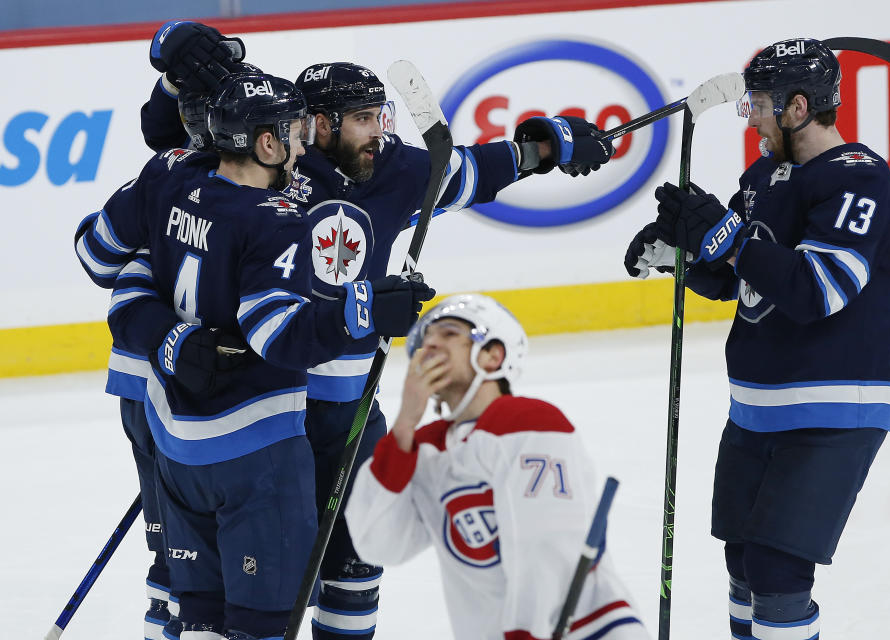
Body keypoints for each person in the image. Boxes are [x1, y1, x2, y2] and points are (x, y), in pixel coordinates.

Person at [138, 36, 617, 640]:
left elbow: (469, 169)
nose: (377, 132)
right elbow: (175, 145)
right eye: (362, 119)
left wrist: (544, 147)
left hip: (350, 413)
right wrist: (174, 84)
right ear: (313, 124)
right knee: (259, 590)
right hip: (269, 407)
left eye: (379, 116)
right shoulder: (270, 161)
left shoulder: (393, 168)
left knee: (355, 568)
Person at [89, 70, 434, 640]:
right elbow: (276, 335)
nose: (305, 146)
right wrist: (364, 310)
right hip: (258, 448)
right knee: (262, 625)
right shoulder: (274, 219)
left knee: (193, 612)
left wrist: (168, 341)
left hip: (176, 439)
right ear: (266, 143)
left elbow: (117, 275)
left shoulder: (173, 182)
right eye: (295, 132)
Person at [624, 38, 890, 640]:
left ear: (798, 107)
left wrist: (726, 237)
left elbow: (817, 289)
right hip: (757, 409)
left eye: (758, 104)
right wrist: (682, 253)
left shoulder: (860, 181)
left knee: (778, 570)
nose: (750, 116)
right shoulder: (764, 176)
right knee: (743, 564)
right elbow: (740, 278)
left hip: (833, 406)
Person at [73, 21, 249, 638]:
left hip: (168, 384)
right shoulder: (199, 180)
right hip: (179, 387)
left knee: (184, 561)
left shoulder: (164, 177)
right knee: (202, 564)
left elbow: (97, 257)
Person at [345, 294, 649, 640]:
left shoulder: (529, 421)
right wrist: (403, 427)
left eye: (448, 333)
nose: (429, 343)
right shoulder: (426, 448)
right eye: (424, 339)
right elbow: (378, 544)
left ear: (493, 355)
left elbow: (546, 549)